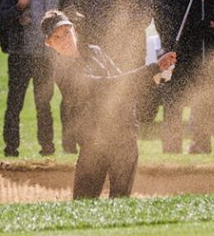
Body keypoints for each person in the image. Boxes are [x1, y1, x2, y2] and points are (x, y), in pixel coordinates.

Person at [42, 10, 177, 199]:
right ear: (50, 44)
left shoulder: (95, 52)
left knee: (121, 201)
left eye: (66, 32)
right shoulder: (63, 72)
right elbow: (106, 86)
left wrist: (158, 76)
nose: (64, 39)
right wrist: (153, 68)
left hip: (123, 134)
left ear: (74, 30)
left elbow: (124, 87)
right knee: (83, 204)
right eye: (56, 37)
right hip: (93, 142)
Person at [0, 0, 59, 157]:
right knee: (15, 103)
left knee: (44, 104)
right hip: (21, 54)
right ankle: (11, 150)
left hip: (47, 56)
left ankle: (48, 148)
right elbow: (2, 17)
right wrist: (19, 8)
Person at [162, 0, 214, 154]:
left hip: (208, 64)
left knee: (205, 106)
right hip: (184, 62)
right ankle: (171, 146)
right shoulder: (183, 1)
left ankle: (202, 145)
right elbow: (181, 31)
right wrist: (207, 26)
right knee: (175, 104)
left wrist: (203, 28)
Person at [55, 0, 105, 153]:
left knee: (94, 92)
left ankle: (91, 142)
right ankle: (68, 143)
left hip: (94, 43)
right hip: (68, 44)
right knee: (68, 94)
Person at [93, 0, 154, 121]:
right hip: (109, 51)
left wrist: (124, 25)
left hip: (134, 51)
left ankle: (129, 126)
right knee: (109, 91)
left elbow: (146, 18)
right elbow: (98, 19)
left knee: (131, 90)